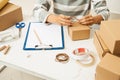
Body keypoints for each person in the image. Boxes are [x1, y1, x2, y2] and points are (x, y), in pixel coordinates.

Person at [33, 0, 109, 26]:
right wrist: (54, 19)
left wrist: (94, 19)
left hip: (82, 28)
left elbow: (105, 12)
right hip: (58, 28)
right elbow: (36, 10)